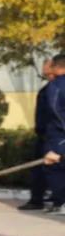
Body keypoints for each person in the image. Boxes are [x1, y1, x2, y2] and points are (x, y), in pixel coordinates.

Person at [19, 58, 55, 210]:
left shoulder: (56, 90)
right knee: (40, 170)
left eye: (46, 68)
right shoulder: (47, 89)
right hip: (44, 134)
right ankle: (38, 199)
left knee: (53, 170)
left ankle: (54, 200)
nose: (44, 71)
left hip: (54, 136)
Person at [42, 53, 65, 215]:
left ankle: (62, 201)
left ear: (57, 67)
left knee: (54, 168)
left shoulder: (56, 86)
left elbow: (56, 111)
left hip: (59, 135)